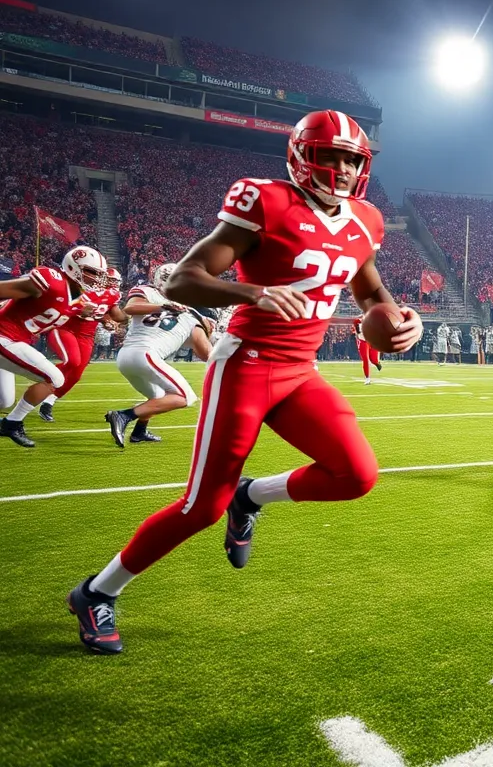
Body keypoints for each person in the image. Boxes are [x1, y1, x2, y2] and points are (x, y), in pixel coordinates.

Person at [67, 109, 422, 654]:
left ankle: (252, 496)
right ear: (304, 155)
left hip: (301, 371)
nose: (345, 169)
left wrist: (401, 320)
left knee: (356, 474)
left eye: (353, 159)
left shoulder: (365, 220)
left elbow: (372, 295)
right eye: (332, 156)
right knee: (200, 508)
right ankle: (96, 591)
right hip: (248, 364)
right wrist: (252, 293)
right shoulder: (266, 200)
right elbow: (186, 278)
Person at [0, 247, 109, 447]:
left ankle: (9, 421)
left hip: (14, 342)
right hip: (4, 336)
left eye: (98, 274)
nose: (95, 279)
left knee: (4, 401)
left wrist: (88, 313)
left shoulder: (76, 299)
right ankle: (11, 424)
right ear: (72, 266)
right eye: (91, 272)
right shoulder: (51, 281)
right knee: (55, 377)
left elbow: (72, 307)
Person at [105, 274, 215, 447]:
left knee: (157, 396)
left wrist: (164, 306)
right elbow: (208, 354)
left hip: (125, 357)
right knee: (185, 397)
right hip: (146, 355)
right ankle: (124, 415)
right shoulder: (192, 318)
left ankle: (139, 432)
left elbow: (132, 308)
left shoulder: (149, 293)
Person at [30, 265, 127, 424]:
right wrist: (78, 308)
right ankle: (40, 375)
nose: (113, 284)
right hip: (64, 328)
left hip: (87, 335)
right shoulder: (80, 287)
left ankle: (48, 402)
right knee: (73, 361)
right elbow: (62, 305)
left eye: (115, 281)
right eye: (110, 280)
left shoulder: (112, 296)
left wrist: (109, 321)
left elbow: (112, 315)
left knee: (75, 375)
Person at [352, 314, 382, 385]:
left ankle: (377, 363)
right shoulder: (357, 320)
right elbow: (355, 332)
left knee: (374, 360)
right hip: (362, 340)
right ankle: (367, 378)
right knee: (365, 358)